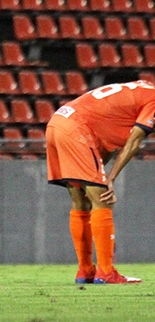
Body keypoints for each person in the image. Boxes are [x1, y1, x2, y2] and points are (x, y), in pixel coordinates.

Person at [46, 80, 155, 284]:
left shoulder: (144, 88)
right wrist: (110, 178)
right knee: (103, 200)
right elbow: (134, 142)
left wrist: (100, 173)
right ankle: (106, 272)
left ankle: (85, 271)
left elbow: (105, 135)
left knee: (81, 201)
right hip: (77, 129)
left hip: (58, 122)